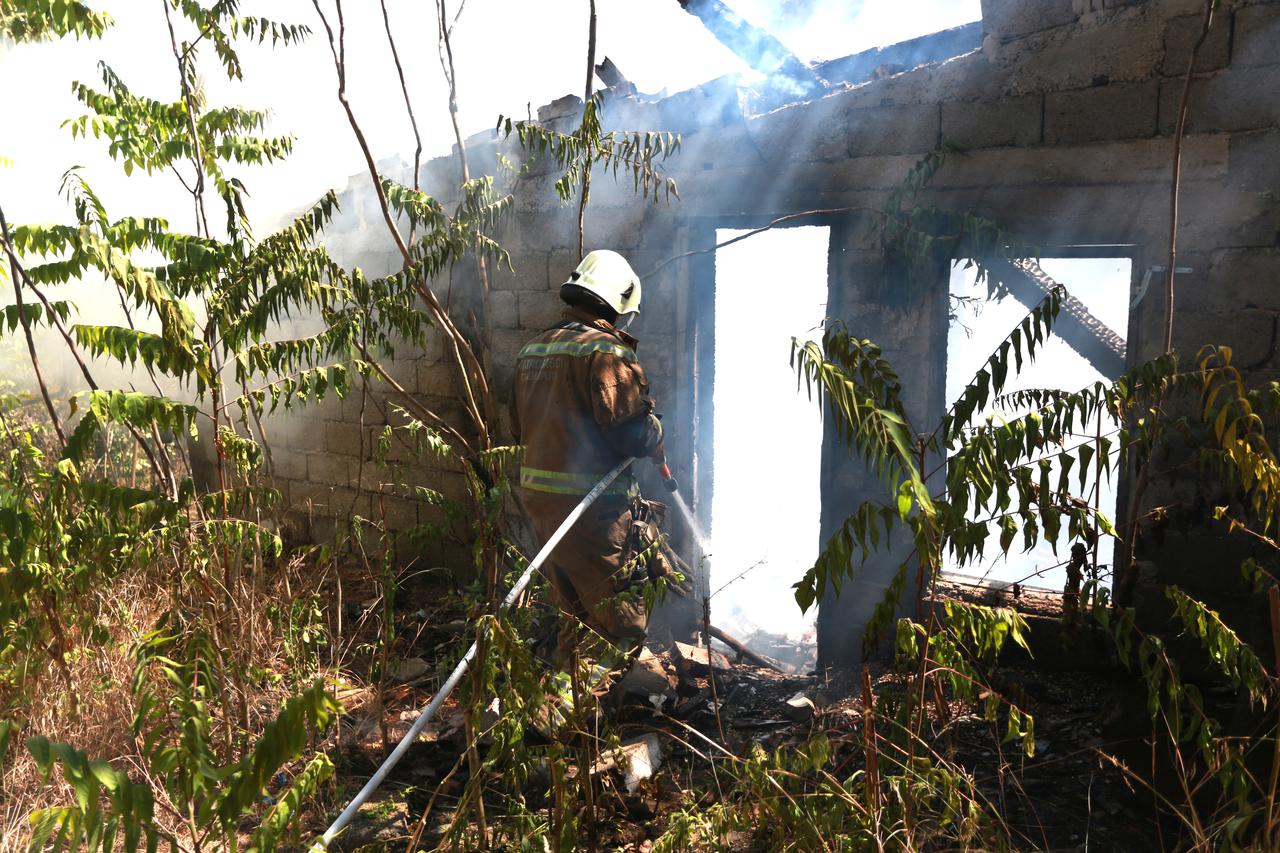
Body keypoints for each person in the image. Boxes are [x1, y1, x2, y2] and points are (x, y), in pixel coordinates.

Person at [511, 249, 682, 671]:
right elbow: (631, 432)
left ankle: (558, 720)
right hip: (593, 508)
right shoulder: (606, 352)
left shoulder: (533, 349)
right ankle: (561, 717)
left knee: (574, 615)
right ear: (618, 302)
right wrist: (655, 432)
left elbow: (519, 428)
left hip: (542, 502)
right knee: (619, 627)